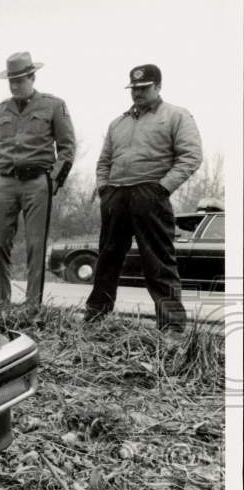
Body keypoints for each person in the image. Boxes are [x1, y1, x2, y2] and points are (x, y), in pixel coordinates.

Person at [85, 64, 203, 331]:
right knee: (107, 258)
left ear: (158, 86)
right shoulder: (118, 123)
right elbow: (103, 162)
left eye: (143, 88)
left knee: (158, 261)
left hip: (150, 194)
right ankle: (95, 317)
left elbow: (191, 156)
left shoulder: (176, 116)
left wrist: (161, 189)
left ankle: (171, 325)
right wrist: (105, 189)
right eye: (134, 88)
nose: (137, 93)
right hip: (116, 196)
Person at [0, 51, 76, 308]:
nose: (14, 85)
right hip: (5, 185)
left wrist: (52, 182)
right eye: (11, 80)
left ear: (32, 77)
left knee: (35, 246)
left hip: (37, 183)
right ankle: (2, 301)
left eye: (20, 80)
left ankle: (33, 307)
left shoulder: (54, 106)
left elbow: (67, 148)